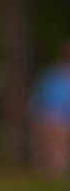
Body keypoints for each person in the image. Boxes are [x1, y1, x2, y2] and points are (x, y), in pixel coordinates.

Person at [32, 40, 70, 175]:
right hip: (54, 119)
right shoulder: (51, 77)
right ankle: (57, 171)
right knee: (55, 127)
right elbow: (39, 104)